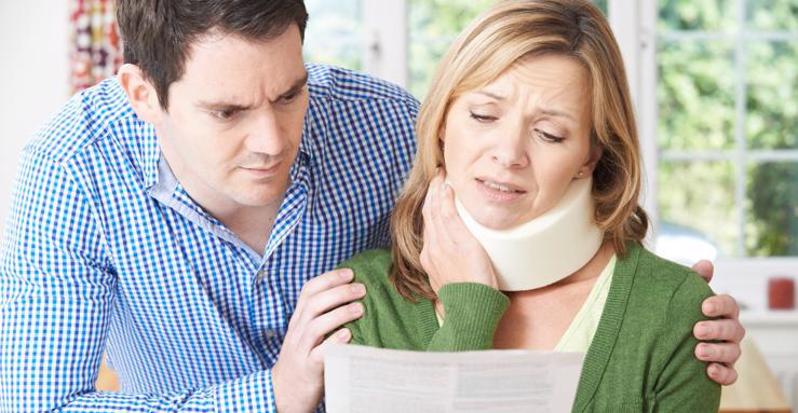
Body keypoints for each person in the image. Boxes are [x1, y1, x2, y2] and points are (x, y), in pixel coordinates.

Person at [0, 0, 741, 412]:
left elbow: (516, 202)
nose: (271, 140)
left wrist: (669, 303)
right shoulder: (74, 172)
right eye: (227, 112)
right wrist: (274, 395)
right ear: (142, 96)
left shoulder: (386, 126)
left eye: (290, 93)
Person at [339, 0, 727, 411]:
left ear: (589, 157)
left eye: (549, 134)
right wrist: (470, 309)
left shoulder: (673, 311)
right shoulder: (364, 299)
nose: (508, 154)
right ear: (441, 124)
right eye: (484, 116)